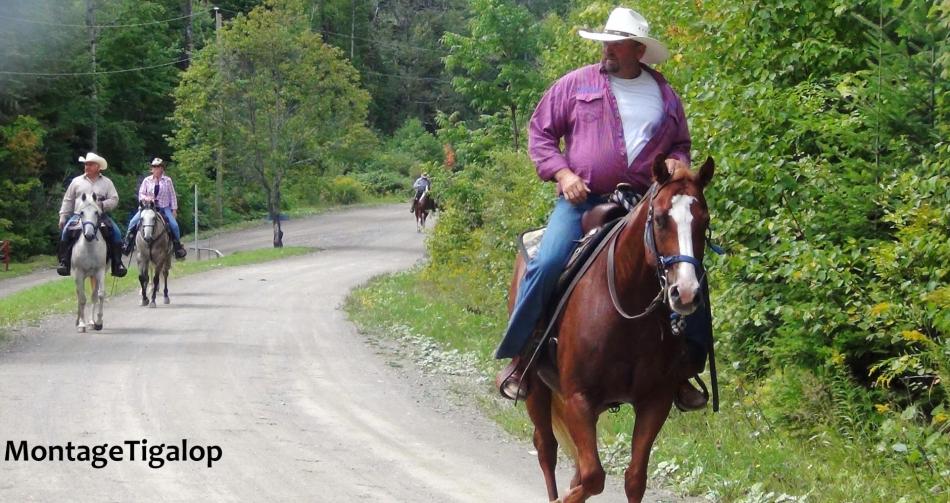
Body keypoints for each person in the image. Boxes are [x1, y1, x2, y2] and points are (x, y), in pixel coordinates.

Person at [493, 7, 709, 411]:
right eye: (605, 42)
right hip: (583, 200)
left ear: (638, 50)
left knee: (689, 269)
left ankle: (681, 370)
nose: (607, 49)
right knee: (549, 260)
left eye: (617, 43)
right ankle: (522, 359)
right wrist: (562, 174)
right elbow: (541, 134)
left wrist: (680, 162)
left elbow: (680, 143)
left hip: (645, 204)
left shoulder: (664, 95)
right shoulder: (574, 85)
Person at [57, 152, 127, 277]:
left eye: (90, 164)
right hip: (79, 215)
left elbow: (114, 199)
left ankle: (117, 264)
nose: (87, 167)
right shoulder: (76, 181)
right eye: (86, 164)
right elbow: (68, 199)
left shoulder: (107, 182)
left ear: (98, 167)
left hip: (99, 216)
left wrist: (102, 205)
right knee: (66, 232)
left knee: (116, 233)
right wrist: (63, 215)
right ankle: (64, 262)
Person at [122, 158, 187, 259]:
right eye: (154, 167)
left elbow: (172, 195)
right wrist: (146, 198)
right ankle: (127, 244)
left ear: (162, 168)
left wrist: (174, 209)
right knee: (132, 222)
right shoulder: (147, 180)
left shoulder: (167, 180)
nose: (156, 168)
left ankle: (177, 247)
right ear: (152, 169)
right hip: (147, 208)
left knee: (174, 225)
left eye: (158, 166)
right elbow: (141, 194)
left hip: (163, 207)